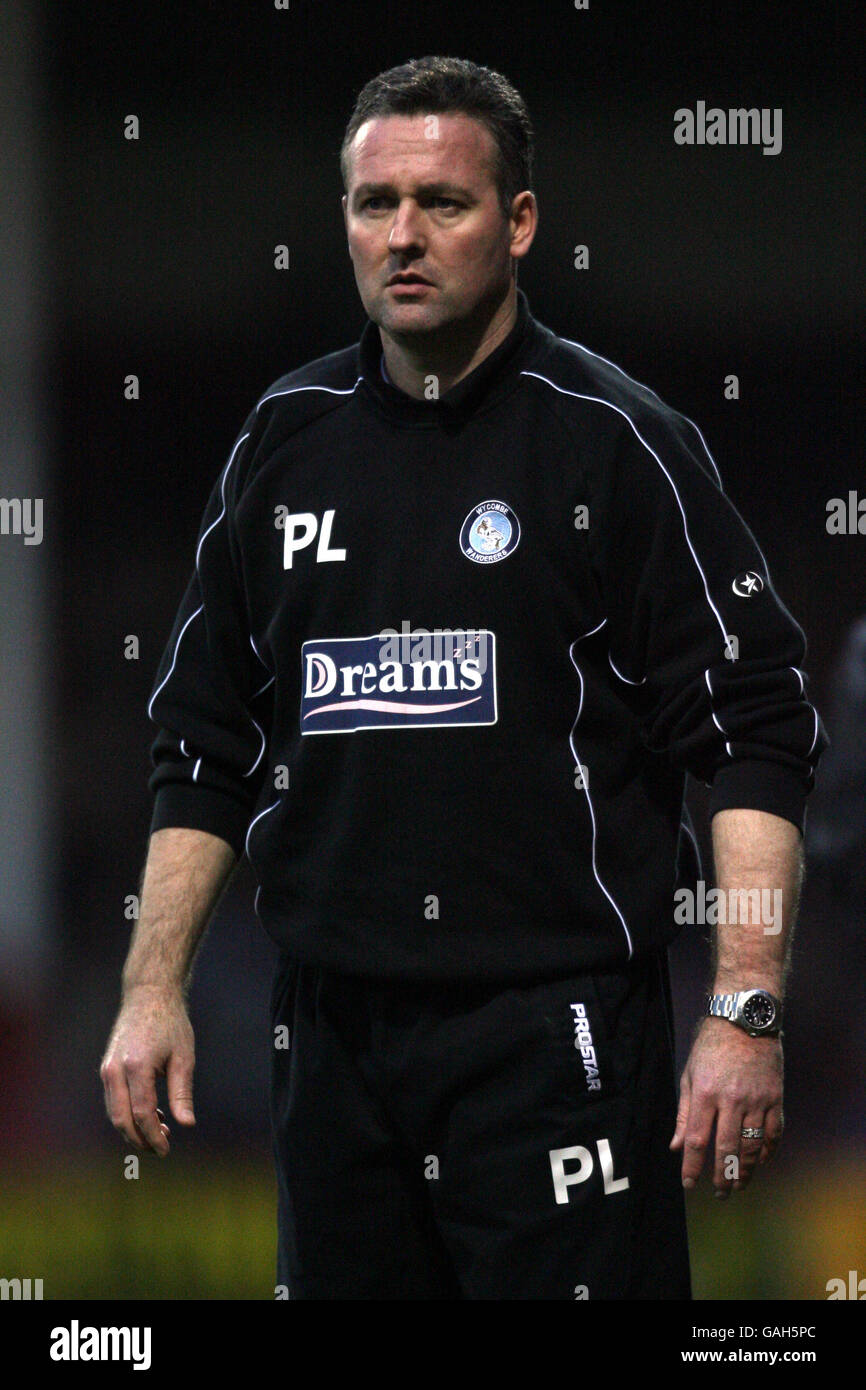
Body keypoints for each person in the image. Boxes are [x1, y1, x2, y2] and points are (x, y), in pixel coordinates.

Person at [100, 56, 828, 1300]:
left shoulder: (616, 443)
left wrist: (743, 1011)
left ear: (520, 221)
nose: (402, 235)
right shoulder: (282, 442)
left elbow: (748, 736)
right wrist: (150, 988)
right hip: (330, 1040)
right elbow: (202, 743)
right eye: (373, 203)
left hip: (555, 1039)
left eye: (442, 201)